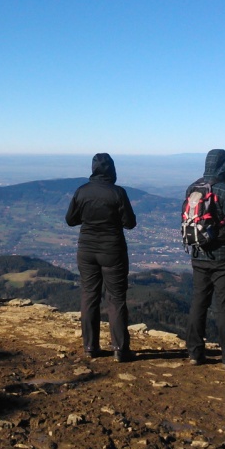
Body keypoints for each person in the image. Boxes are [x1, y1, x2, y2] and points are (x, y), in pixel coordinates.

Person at [65, 152, 137, 362]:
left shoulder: (82, 191)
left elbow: (70, 220)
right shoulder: (117, 193)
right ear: (112, 170)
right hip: (112, 249)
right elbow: (130, 223)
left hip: (86, 249)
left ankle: (90, 346)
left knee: (89, 295)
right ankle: (120, 349)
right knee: (115, 299)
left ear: (93, 169)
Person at [184, 149, 225, 370]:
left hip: (198, 254)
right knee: (224, 307)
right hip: (222, 256)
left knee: (198, 302)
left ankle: (194, 352)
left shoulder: (194, 187)